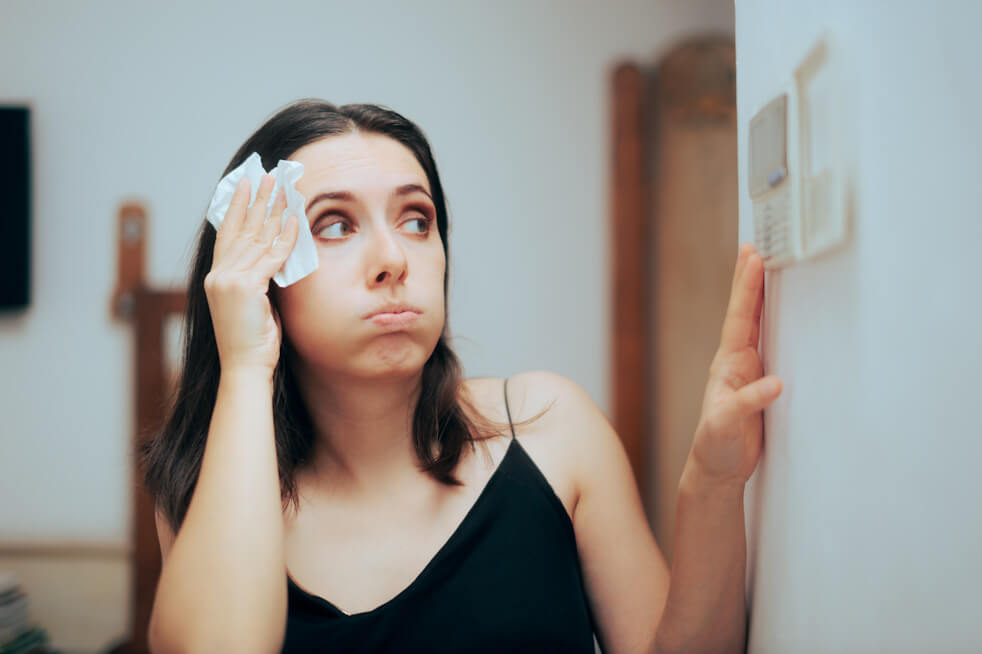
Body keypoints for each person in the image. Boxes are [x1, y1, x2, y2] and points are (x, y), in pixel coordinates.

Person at [140, 99, 782, 654]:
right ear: (263, 270)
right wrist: (247, 361)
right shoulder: (207, 487)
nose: (393, 259)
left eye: (416, 220)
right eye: (334, 225)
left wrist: (714, 485)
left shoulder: (553, 431)